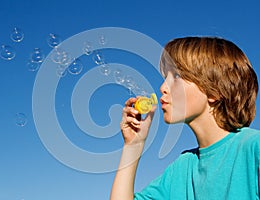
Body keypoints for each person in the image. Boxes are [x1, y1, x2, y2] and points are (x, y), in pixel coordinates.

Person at [110, 37, 260, 200]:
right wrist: (133, 146)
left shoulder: (254, 149)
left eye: (177, 76)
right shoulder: (182, 168)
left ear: (215, 91)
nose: (162, 88)